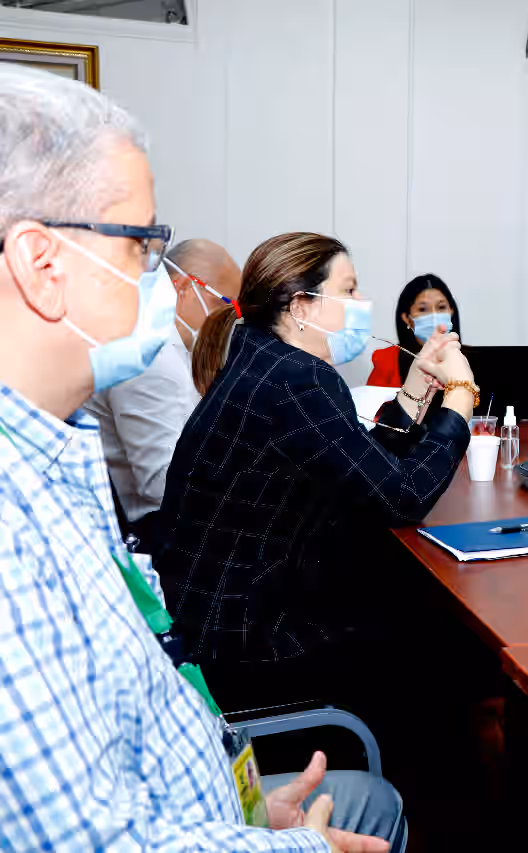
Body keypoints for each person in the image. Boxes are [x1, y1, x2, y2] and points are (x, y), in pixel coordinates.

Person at [0, 64, 397, 851]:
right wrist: (298, 845)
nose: (161, 275)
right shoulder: (13, 529)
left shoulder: (58, 459)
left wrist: (241, 808)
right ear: (43, 264)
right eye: (143, 243)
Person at [159, 232, 476, 725]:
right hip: (253, 641)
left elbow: (357, 466)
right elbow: (403, 496)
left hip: (214, 622)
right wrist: (459, 399)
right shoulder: (298, 379)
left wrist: (415, 390)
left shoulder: (262, 357)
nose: (362, 301)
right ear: (301, 306)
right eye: (348, 290)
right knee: (436, 634)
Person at [82, 238, 242, 550]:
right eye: (223, 305)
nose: (227, 320)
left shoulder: (172, 351)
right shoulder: (152, 358)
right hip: (154, 534)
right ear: (183, 288)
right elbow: (161, 484)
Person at [368, 273, 460, 388]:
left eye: (441, 307)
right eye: (423, 309)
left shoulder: (469, 359)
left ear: (451, 311)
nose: (434, 316)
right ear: (407, 319)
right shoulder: (388, 361)